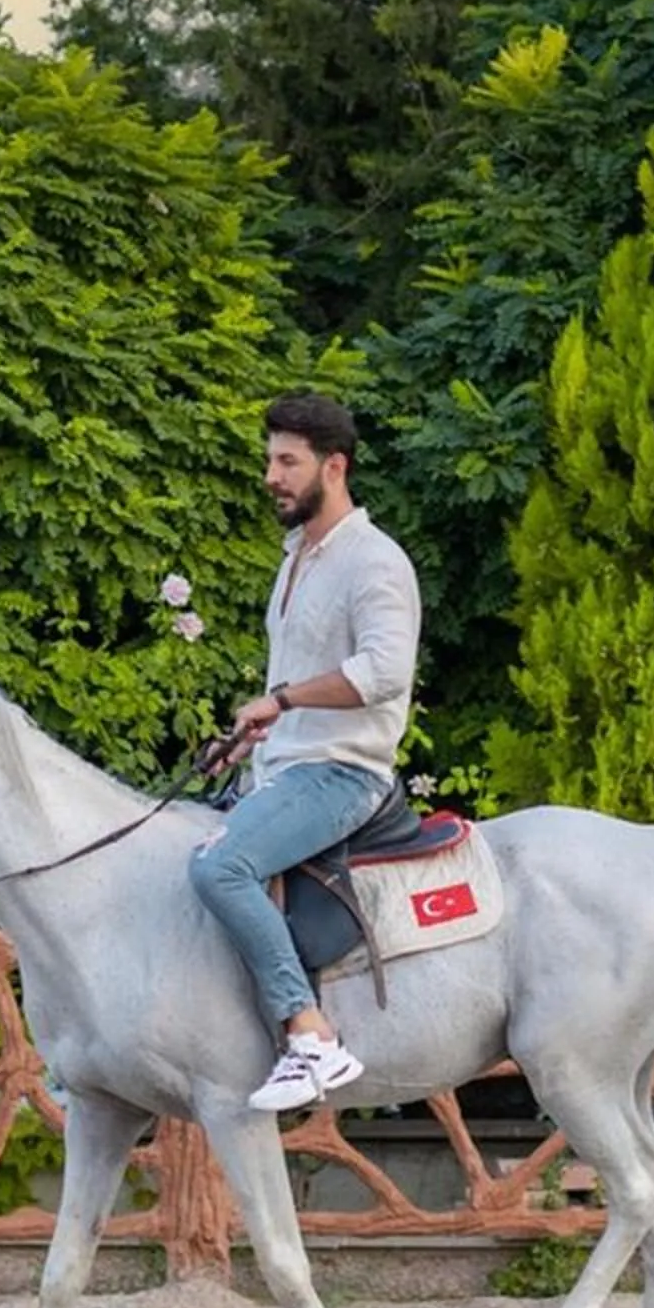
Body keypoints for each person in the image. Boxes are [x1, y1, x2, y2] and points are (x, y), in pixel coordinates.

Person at [188, 393, 422, 1112]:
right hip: (285, 767)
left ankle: (311, 1035)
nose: (272, 476)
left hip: (344, 776)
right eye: (270, 460)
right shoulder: (297, 558)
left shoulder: (374, 562)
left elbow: (385, 673)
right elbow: (298, 680)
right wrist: (254, 733)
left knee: (220, 866)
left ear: (336, 466)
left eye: (288, 462)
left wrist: (283, 702)